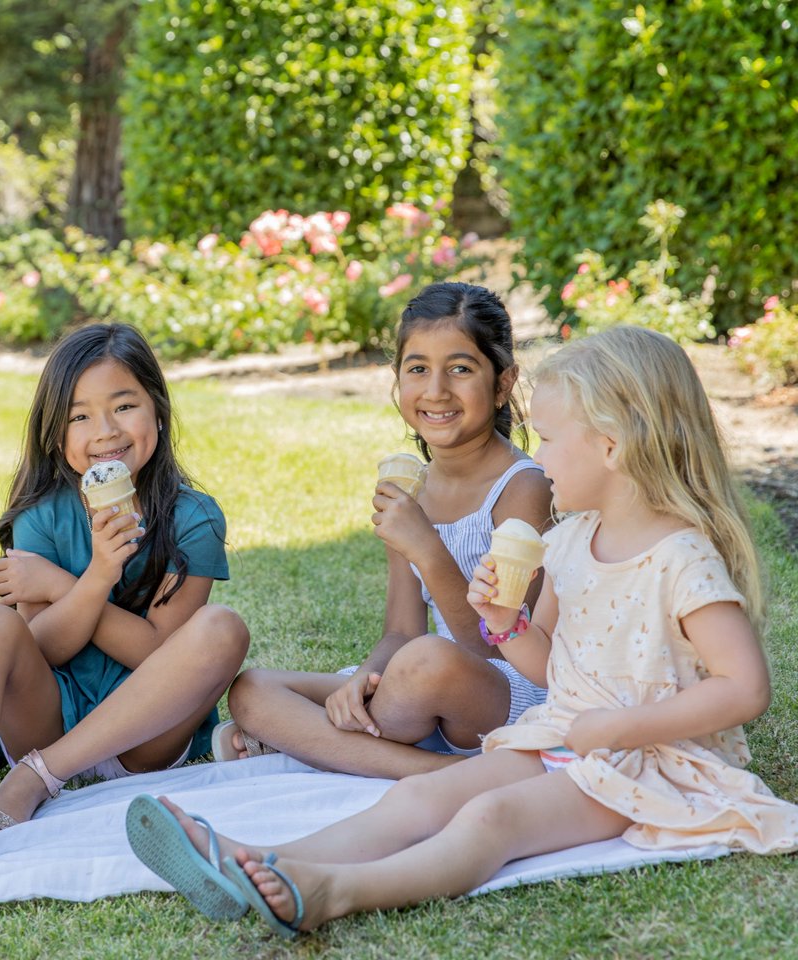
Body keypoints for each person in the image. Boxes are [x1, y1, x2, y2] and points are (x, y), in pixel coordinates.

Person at [127, 326, 798, 936]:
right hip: (563, 737)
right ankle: (255, 861)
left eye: (551, 440)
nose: (542, 458)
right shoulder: (570, 543)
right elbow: (550, 670)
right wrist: (507, 628)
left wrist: (618, 730)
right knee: (425, 795)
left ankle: (338, 889)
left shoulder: (682, 557)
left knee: (490, 819)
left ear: (611, 447)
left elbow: (744, 690)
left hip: (649, 764)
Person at [0, 322, 249, 876]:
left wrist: (65, 583)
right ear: (56, 435)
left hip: (145, 740)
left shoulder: (193, 518)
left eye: (124, 406)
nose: (104, 431)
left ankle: (37, 779)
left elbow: (160, 655)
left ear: (158, 412)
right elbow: (40, 649)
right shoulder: (42, 518)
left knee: (223, 629)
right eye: (80, 416)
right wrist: (99, 575)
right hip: (46, 721)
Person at [215, 282, 553, 776]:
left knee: (428, 661)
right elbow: (400, 629)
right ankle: (426, 770)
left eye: (460, 369)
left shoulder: (523, 487)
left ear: (503, 383)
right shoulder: (410, 490)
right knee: (252, 689)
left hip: (500, 688)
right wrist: (369, 676)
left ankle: (320, 742)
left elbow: (500, 643)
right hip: (414, 678)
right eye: (417, 369)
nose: (436, 390)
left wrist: (427, 548)